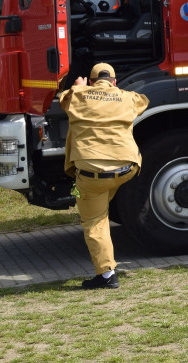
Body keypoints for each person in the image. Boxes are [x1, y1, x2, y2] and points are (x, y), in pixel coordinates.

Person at [60, 63, 149, 289]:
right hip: (126, 169)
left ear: (90, 82)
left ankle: (107, 275)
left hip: (91, 176)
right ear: (114, 82)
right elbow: (144, 101)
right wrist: (116, 94)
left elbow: (63, 99)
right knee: (103, 197)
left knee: (95, 222)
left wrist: (80, 87)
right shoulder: (127, 97)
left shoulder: (78, 96)